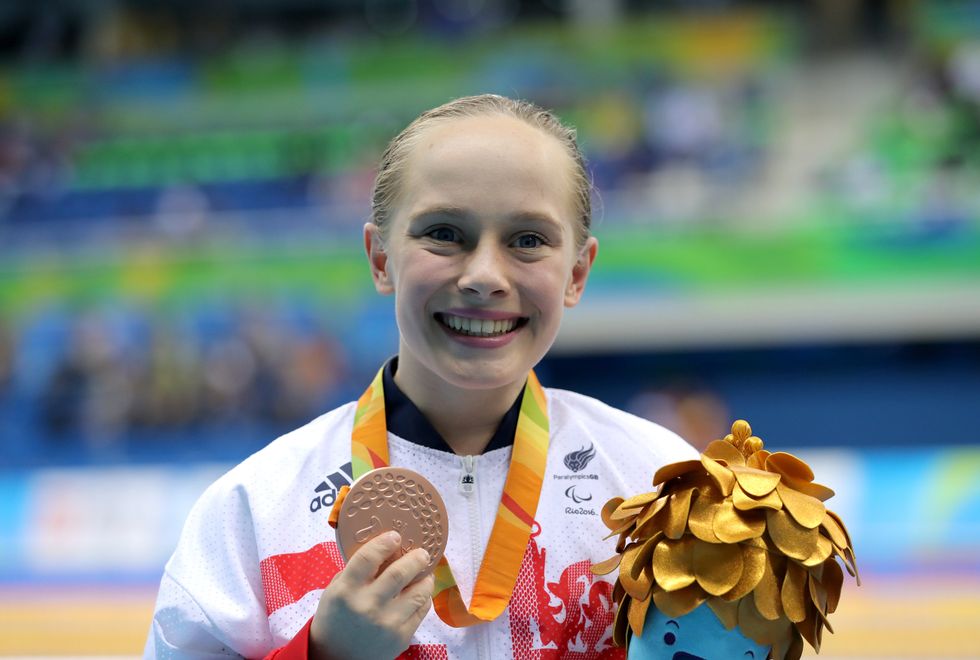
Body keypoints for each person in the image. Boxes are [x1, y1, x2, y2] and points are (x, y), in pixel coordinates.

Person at [145, 94, 697, 659]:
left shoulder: (658, 486)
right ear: (381, 259)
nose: (485, 276)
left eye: (528, 240)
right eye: (444, 233)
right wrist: (324, 654)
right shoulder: (255, 511)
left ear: (577, 273)